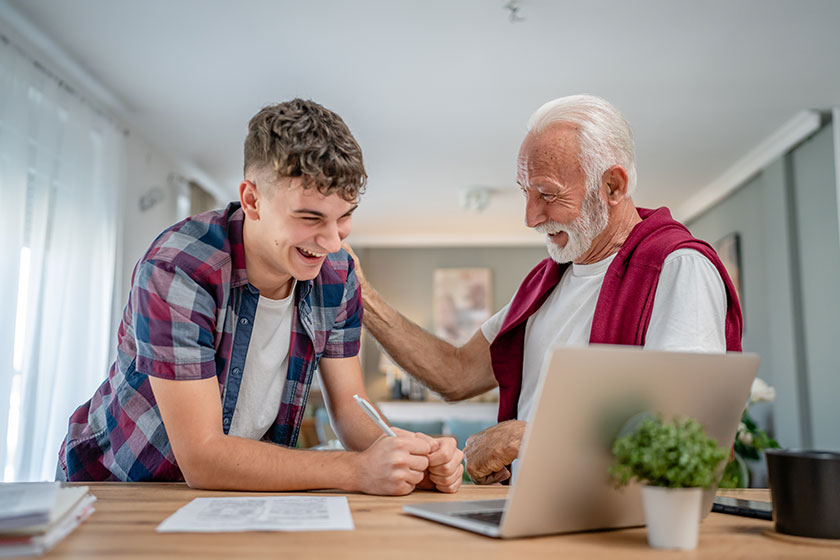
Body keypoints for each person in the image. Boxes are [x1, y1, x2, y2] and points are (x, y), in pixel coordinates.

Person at [58, 99, 463, 495]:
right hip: (113, 488)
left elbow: (352, 414)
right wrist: (355, 469)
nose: (332, 241)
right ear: (252, 200)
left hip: (230, 492)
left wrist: (412, 455)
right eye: (310, 218)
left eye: (345, 216)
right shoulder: (178, 269)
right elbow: (201, 456)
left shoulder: (337, 276)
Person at [343, 94, 742, 485]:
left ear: (614, 186)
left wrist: (523, 438)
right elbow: (457, 373)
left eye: (547, 194)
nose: (530, 217)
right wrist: (359, 289)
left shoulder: (678, 266)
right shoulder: (547, 280)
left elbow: (692, 436)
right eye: (525, 192)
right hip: (534, 514)